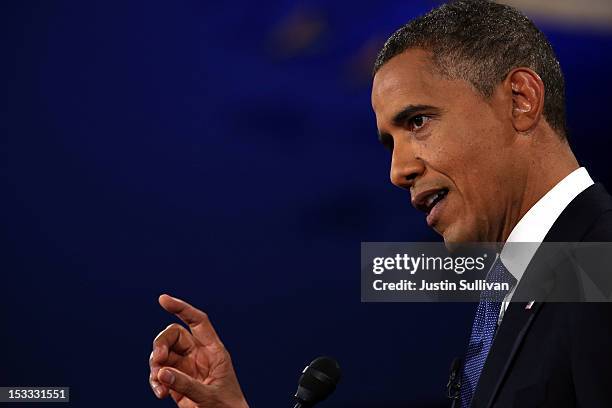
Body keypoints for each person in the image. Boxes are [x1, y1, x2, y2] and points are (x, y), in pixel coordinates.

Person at [148, 1, 612, 406]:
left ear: (521, 100)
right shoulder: (546, 278)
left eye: (418, 121)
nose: (398, 171)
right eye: (389, 142)